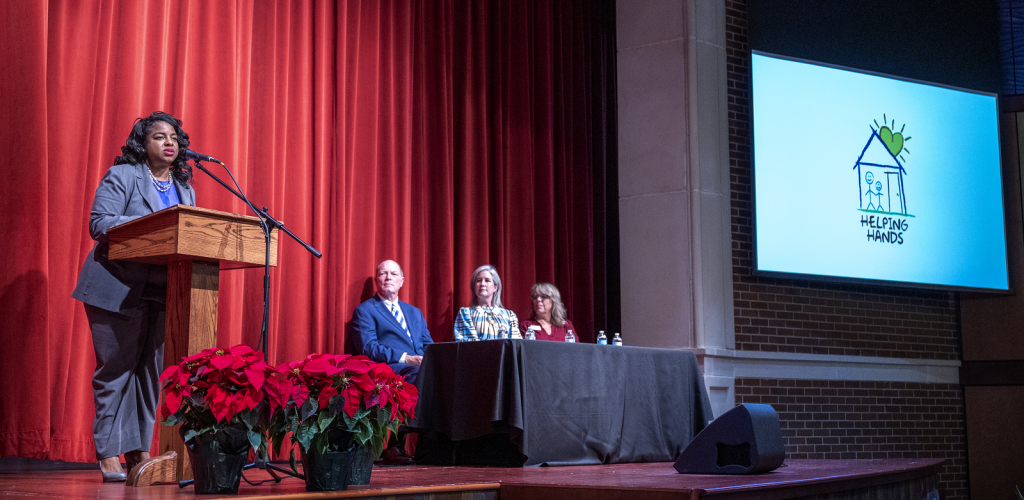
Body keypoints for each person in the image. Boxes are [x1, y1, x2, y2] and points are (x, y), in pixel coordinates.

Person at [71, 111, 197, 482]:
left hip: (162, 289)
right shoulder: (123, 176)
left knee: (147, 374)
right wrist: (149, 226)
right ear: (143, 143)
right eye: (159, 136)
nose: (169, 143)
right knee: (116, 371)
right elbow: (101, 223)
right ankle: (108, 451)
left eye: (173, 137)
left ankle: (139, 449)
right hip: (117, 286)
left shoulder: (184, 188)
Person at [351, 259, 434, 464]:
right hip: (391, 368)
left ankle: (435, 443)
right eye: (383, 273)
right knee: (419, 378)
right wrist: (406, 358)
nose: (388, 277)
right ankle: (395, 444)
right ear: (378, 280)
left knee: (446, 378)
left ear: (402, 281)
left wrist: (433, 360)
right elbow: (368, 347)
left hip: (420, 366)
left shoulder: (414, 312)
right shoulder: (366, 310)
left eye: (393, 274)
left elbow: (428, 344)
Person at [453, 265, 519, 341]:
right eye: (478, 280)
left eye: (487, 280)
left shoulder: (509, 316)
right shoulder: (465, 314)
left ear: (495, 287)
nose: (482, 284)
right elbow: (467, 345)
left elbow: (515, 345)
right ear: (474, 287)